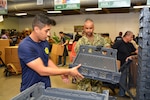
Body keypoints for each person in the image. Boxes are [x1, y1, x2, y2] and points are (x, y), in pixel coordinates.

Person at [18, 13, 84, 92]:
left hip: (45, 86)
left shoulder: (44, 42)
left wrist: (61, 74)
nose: (49, 34)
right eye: (46, 31)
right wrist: (68, 71)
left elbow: (47, 60)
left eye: (49, 30)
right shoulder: (25, 46)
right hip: (30, 89)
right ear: (36, 29)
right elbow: (42, 70)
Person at [75, 18, 105, 93]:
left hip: (97, 70)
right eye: (87, 28)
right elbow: (78, 55)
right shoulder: (81, 41)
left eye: (91, 28)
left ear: (93, 28)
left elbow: (107, 47)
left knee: (97, 92)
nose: (89, 30)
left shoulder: (100, 39)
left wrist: (104, 51)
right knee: (83, 93)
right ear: (84, 28)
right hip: (84, 71)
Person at [112, 31, 138, 97]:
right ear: (127, 36)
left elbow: (135, 51)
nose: (132, 39)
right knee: (120, 78)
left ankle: (122, 93)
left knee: (124, 79)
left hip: (127, 64)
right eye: (131, 37)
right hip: (118, 64)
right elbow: (111, 51)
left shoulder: (130, 44)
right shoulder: (119, 43)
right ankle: (120, 92)